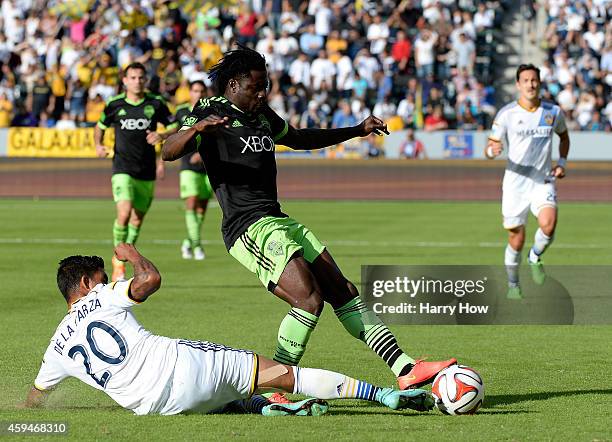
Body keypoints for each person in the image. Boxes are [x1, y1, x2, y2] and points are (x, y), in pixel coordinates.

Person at [162, 47, 456, 397]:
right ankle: (272, 387)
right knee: (309, 299)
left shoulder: (262, 116)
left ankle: (406, 369)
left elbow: (300, 138)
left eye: (265, 86)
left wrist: (357, 130)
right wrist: (197, 129)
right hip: (247, 227)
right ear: (233, 84)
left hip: (277, 220)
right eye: (256, 87)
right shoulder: (211, 110)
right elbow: (169, 150)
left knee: (341, 291)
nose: (263, 93)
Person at [22, 244, 435, 416]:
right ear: (85, 285)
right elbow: (149, 280)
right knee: (288, 376)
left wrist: (26, 416)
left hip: (159, 408)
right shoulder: (101, 296)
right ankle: (384, 395)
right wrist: (132, 256)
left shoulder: (56, 347)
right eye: (101, 275)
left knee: (226, 395)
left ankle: (267, 408)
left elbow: (36, 398)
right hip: (183, 366)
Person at [485, 64, 570, 299]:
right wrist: (493, 151)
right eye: (526, 80)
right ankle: (513, 284)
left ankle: (535, 256)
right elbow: (490, 148)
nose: (530, 84)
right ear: (518, 85)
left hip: (542, 181)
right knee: (516, 237)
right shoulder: (506, 114)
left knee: (549, 225)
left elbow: (564, 137)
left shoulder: (553, 112)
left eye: (534, 80)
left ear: (540, 83)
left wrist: (562, 162)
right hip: (515, 185)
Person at [94, 62, 179, 281]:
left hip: (146, 169)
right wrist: (98, 144)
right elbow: (100, 126)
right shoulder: (115, 104)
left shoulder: (155, 103)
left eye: (141, 77)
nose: (137, 81)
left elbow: (176, 125)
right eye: (132, 77)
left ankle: (127, 251)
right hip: (122, 167)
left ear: (146, 80)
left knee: (137, 219)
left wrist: (162, 135)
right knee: (124, 212)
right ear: (124, 80)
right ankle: (118, 260)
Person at [175, 81, 212, 260]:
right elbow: (173, 134)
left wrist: (204, 155)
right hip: (188, 165)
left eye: (201, 91)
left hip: (209, 166)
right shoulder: (181, 111)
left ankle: (188, 242)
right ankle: (197, 246)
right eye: (195, 91)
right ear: (189, 92)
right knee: (191, 202)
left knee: (202, 208)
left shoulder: (212, 110)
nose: (198, 94)